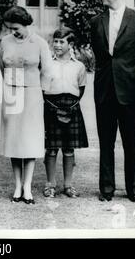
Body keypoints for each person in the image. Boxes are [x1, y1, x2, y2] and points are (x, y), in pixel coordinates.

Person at [90, 0, 135, 202]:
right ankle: (106, 190)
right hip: (104, 90)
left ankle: (133, 191)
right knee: (105, 142)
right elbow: (100, 56)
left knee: (131, 142)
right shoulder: (96, 21)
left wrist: (130, 74)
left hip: (130, 90)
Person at [0, 6, 52, 204]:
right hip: (11, 93)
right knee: (14, 140)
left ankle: (28, 186)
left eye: (16, 28)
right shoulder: (4, 42)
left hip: (31, 95)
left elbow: (47, 71)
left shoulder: (39, 43)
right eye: (10, 28)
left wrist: (41, 94)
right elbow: (2, 65)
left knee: (29, 141)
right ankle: (18, 185)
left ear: (26, 24)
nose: (13, 32)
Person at [42, 28, 88, 199]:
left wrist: (70, 105)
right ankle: (50, 185)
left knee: (69, 149)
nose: (57, 45)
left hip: (72, 106)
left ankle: (68, 185)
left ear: (71, 44)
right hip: (51, 105)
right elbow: (43, 88)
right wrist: (53, 105)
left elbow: (81, 89)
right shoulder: (47, 64)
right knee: (52, 148)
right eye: (55, 41)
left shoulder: (79, 66)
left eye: (62, 42)